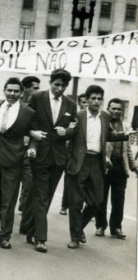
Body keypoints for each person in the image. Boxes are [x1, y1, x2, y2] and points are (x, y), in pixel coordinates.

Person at [64, 86, 133, 249]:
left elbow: (108, 135)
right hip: (79, 161)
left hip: (97, 162)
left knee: (96, 201)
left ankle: (79, 227)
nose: (96, 101)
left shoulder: (105, 116)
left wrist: (124, 135)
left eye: (99, 98)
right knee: (76, 202)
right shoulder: (78, 116)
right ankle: (74, 237)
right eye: (93, 98)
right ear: (87, 100)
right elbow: (69, 136)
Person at [21, 69, 77, 253]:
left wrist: (67, 132)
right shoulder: (37, 98)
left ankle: (29, 229)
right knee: (41, 196)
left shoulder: (70, 104)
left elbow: (74, 128)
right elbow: (26, 121)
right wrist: (32, 135)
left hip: (59, 157)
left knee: (46, 195)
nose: (60, 89)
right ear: (50, 83)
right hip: (39, 153)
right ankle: (40, 238)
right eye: (57, 85)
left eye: (63, 86)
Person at [0, 77, 37, 249]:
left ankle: (4, 235)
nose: (12, 94)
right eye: (9, 90)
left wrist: (32, 147)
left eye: (16, 91)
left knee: (8, 199)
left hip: (13, 159)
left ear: (21, 93)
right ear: (4, 90)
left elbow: (34, 134)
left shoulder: (28, 112)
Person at [95, 99, 137, 240]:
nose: (116, 111)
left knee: (118, 200)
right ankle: (101, 226)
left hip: (120, 168)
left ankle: (116, 228)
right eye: (113, 108)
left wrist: (134, 166)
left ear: (122, 111)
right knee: (101, 198)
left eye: (119, 109)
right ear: (108, 109)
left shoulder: (126, 126)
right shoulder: (102, 124)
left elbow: (128, 150)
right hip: (105, 167)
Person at [17, 75, 41, 213]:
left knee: (29, 182)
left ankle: (24, 206)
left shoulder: (39, 107)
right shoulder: (16, 105)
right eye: (35, 88)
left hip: (30, 149)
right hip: (13, 148)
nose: (38, 91)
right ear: (25, 89)